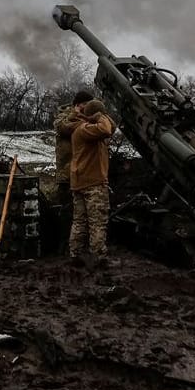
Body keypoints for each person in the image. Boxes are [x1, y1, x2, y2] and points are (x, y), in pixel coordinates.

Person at [68, 98, 117, 266]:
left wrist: (99, 115)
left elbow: (112, 127)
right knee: (97, 222)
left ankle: (76, 254)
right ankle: (99, 257)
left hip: (81, 182)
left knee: (79, 221)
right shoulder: (86, 130)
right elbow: (106, 129)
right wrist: (99, 116)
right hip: (93, 183)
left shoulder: (81, 129)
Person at [52, 90, 94, 255]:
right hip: (67, 174)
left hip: (84, 174)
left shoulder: (84, 117)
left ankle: (80, 246)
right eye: (85, 105)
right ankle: (63, 246)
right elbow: (64, 128)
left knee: (83, 214)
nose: (87, 109)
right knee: (67, 213)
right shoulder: (64, 117)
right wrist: (82, 119)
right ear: (78, 105)